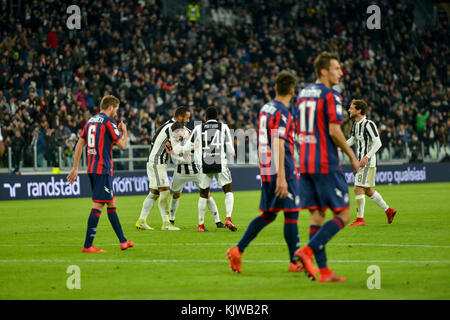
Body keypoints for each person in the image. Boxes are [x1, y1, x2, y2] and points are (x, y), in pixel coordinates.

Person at [292, 52, 360, 282]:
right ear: (324, 71)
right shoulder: (331, 95)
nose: (341, 72)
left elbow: (298, 128)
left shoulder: (302, 94)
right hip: (324, 161)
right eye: (337, 68)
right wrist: (351, 155)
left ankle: (324, 272)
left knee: (317, 216)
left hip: (306, 161)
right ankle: (307, 251)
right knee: (344, 213)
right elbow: (334, 130)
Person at [226, 71, 302, 274]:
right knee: (291, 214)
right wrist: (283, 178)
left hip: (267, 168)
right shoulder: (282, 112)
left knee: (269, 215)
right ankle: (295, 261)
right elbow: (278, 143)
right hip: (281, 169)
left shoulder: (265, 108)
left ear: (275, 88)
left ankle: (237, 249)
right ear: (292, 91)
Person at [67, 95, 134, 253]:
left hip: (92, 168)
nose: (116, 113)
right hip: (102, 169)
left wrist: (76, 167)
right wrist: (124, 132)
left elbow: (80, 143)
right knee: (98, 205)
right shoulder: (108, 121)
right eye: (116, 109)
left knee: (111, 202)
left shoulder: (91, 121)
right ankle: (88, 245)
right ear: (111, 107)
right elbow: (123, 145)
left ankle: (123, 241)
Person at [181, 107, 237, 232]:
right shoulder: (223, 127)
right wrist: (232, 154)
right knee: (228, 190)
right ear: (217, 117)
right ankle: (228, 218)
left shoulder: (198, 128)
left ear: (205, 117)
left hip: (203, 164)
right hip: (220, 163)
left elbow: (186, 148)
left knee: (203, 194)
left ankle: (201, 225)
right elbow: (230, 149)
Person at [135, 107, 190, 231]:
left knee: (154, 193)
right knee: (164, 190)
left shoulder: (169, 125)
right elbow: (176, 148)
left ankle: (141, 220)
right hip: (157, 161)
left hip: (155, 161)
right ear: (180, 117)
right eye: (186, 118)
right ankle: (166, 223)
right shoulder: (172, 127)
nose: (188, 120)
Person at [346, 99, 397, 226]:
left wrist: (366, 157)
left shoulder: (369, 124)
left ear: (359, 110)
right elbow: (352, 140)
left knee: (358, 188)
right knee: (368, 190)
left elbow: (378, 142)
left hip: (367, 162)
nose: (349, 110)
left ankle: (360, 219)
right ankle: (388, 210)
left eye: (351, 108)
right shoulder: (356, 124)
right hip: (361, 162)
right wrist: (337, 146)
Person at [167, 121, 227, 229]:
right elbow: (176, 156)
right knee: (175, 195)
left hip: (195, 171)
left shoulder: (193, 135)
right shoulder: (175, 139)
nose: (175, 137)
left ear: (182, 130)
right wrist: (175, 155)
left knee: (206, 194)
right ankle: (171, 219)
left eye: (176, 134)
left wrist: (175, 155)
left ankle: (218, 221)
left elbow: (187, 157)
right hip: (180, 172)